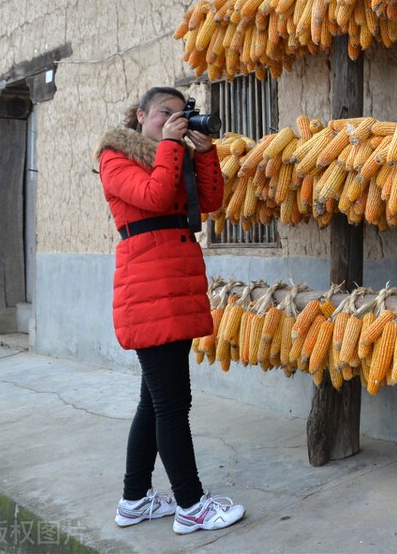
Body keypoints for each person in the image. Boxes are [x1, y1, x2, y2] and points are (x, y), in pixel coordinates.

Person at [95, 86, 245, 534]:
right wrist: (168, 148)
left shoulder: (173, 155)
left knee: (154, 401)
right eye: (164, 114)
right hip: (150, 289)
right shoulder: (115, 157)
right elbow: (157, 197)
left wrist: (202, 152)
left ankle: (135, 501)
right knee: (173, 403)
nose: (174, 122)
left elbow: (212, 201)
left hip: (173, 284)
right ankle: (192, 505)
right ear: (140, 115)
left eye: (182, 115)